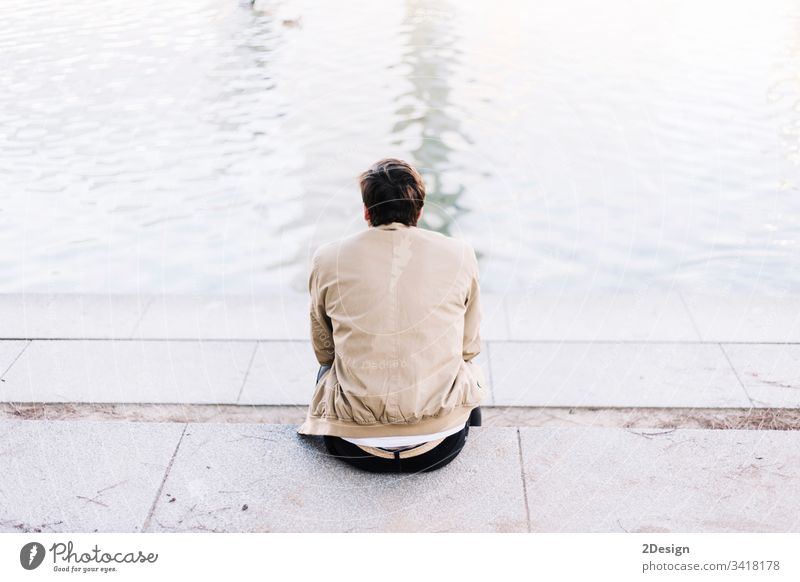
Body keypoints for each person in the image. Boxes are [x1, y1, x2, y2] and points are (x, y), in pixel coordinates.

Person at [297, 158, 487, 473]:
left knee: (329, 371)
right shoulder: (461, 254)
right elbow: (469, 349)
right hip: (439, 446)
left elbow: (324, 351)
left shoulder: (328, 259)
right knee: (467, 373)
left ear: (367, 212)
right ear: (420, 211)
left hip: (352, 445)